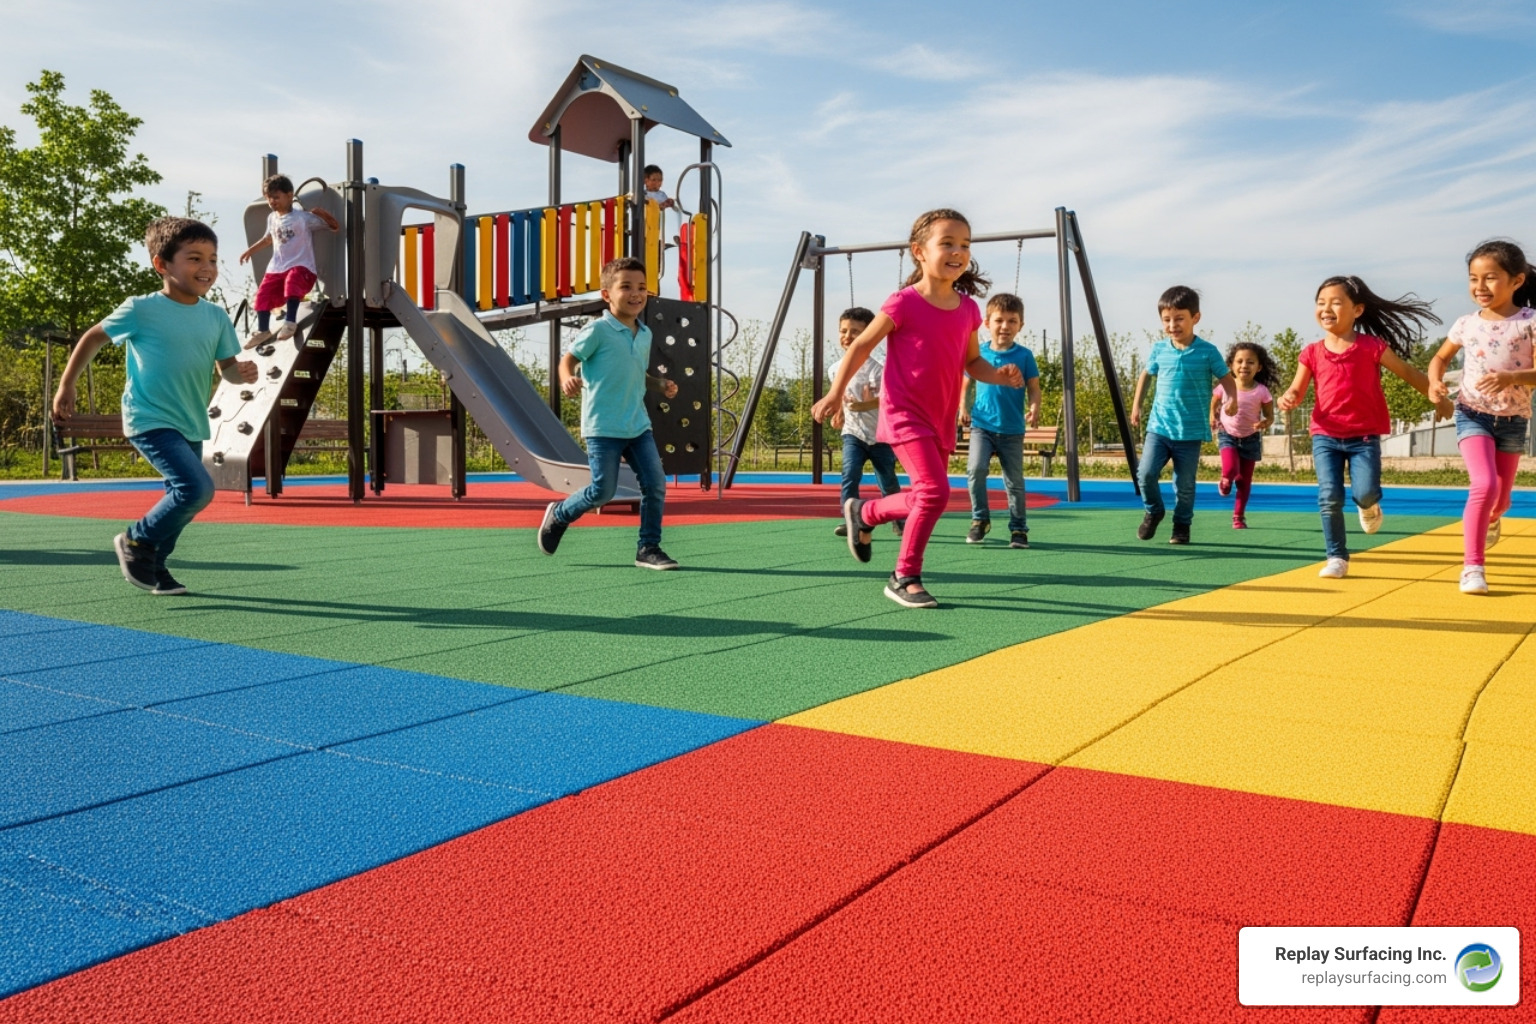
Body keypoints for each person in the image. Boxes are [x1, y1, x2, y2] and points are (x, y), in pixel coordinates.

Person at [811, 209, 1024, 609]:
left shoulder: (968, 310)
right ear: (919, 252)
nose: (958, 251)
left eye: (964, 245)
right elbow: (860, 346)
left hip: (940, 418)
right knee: (934, 491)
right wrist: (836, 393)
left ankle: (865, 511)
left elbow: (971, 361)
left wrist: (999, 376)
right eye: (947, 243)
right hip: (906, 414)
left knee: (927, 495)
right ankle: (903, 575)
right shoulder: (904, 302)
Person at [51, 217, 257, 595]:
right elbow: (92, 338)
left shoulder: (215, 317)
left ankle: (156, 568)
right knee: (196, 490)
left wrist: (241, 373)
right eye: (194, 258)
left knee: (181, 500)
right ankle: (136, 541)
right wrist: (67, 385)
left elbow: (226, 369)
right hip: (149, 417)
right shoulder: (141, 309)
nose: (207, 268)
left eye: (212, 259)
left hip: (191, 422)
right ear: (162, 264)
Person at [1278, 276, 1453, 578]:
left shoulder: (1371, 346)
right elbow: (1297, 387)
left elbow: (1408, 372)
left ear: (1357, 310)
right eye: (1321, 303)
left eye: (1335, 302)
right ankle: (1336, 556)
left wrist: (1436, 397)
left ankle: (1369, 506)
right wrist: (1290, 397)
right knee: (1329, 495)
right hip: (1325, 436)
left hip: (1364, 437)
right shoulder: (1311, 352)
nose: (1326, 308)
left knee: (1365, 492)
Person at [537, 257, 679, 570]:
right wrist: (566, 378)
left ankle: (648, 547)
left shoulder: (644, 334)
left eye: (641, 287)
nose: (635, 293)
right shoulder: (598, 331)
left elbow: (637, 372)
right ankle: (560, 515)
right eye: (626, 286)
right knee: (603, 491)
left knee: (655, 485)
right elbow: (568, 361)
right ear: (607, 295)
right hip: (603, 427)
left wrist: (660, 384)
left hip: (638, 425)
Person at [1428, 240, 1536, 595]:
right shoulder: (1465, 324)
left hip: (1514, 419)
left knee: (1501, 499)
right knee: (1484, 485)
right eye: (1474, 279)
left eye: (1490, 278)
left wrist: (1512, 378)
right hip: (1472, 413)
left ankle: (1492, 516)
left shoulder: (1530, 322)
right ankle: (1472, 567)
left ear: (1517, 280)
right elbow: (1440, 359)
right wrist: (1434, 382)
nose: (1480, 287)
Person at [1130, 287, 1238, 544]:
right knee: (1145, 474)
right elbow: (1146, 375)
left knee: (1185, 484)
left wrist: (1231, 398)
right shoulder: (1159, 350)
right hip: (1159, 427)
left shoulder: (1207, 352)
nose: (1172, 325)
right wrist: (1137, 405)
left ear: (1195, 318)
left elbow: (1226, 378)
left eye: (1179, 318)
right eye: (1166, 320)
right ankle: (1154, 511)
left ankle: (1181, 525)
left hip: (1189, 431)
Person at [960, 292, 1041, 548]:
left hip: (1012, 428)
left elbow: (1034, 388)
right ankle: (979, 520)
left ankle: (1018, 529)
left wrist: (1034, 407)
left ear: (1020, 325)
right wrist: (962, 406)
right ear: (987, 323)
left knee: (1014, 481)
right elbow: (966, 384)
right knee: (975, 470)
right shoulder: (977, 354)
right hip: (982, 425)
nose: (1005, 326)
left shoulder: (1024, 356)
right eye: (999, 320)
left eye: (1012, 321)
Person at [238, 174, 339, 347]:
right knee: (262, 297)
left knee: (292, 283)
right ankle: (263, 330)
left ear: (290, 195)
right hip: (277, 267)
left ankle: (290, 322)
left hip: (301, 266)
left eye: (276, 197)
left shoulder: (302, 218)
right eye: (269, 198)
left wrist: (322, 213)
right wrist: (250, 251)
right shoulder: (272, 218)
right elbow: (268, 238)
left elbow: (333, 226)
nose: (272, 201)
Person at [830, 306, 904, 539]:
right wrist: (840, 412)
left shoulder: (879, 369)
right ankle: (850, 519)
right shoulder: (835, 369)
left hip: (881, 435)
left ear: (870, 334)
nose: (847, 336)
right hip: (853, 433)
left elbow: (887, 400)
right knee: (849, 474)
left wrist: (863, 406)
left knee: (888, 481)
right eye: (844, 331)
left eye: (855, 331)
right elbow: (840, 394)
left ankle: (899, 518)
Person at [1208, 341, 1277, 529]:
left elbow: (1270, 416)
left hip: (1251, 438)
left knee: (1244, 482)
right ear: (1231, 365)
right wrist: (1212, 416)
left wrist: (1265, 422)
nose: (1244, 366)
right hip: (1227, 434)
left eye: (1250, 362)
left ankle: (1238, 517)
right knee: (1230, 470)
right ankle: (1224, 480)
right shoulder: (1225, 386)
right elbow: (1214, 401)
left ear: (1259, 367)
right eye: (1239, 361)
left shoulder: (1262, 391)